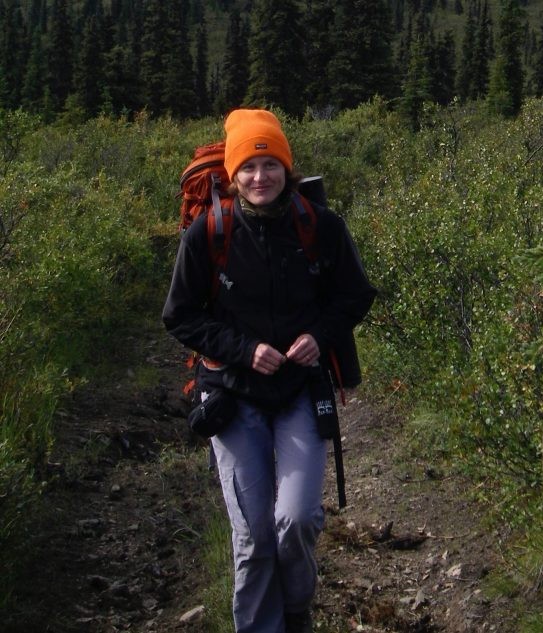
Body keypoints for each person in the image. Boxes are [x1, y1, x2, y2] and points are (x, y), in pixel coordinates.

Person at [162, 108, 376, 633]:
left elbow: (355, 295)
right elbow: (180, 315)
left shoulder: (320, 227)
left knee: (297, 519)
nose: (261, 178)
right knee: (254, 537)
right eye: (249, 168)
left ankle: (296, 608)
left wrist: (317, 337)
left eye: (271, 164)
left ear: (287, 167)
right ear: (233, 175)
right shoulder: (209, 233)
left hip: (301, 390)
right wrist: (242, 349)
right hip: (233, 394)